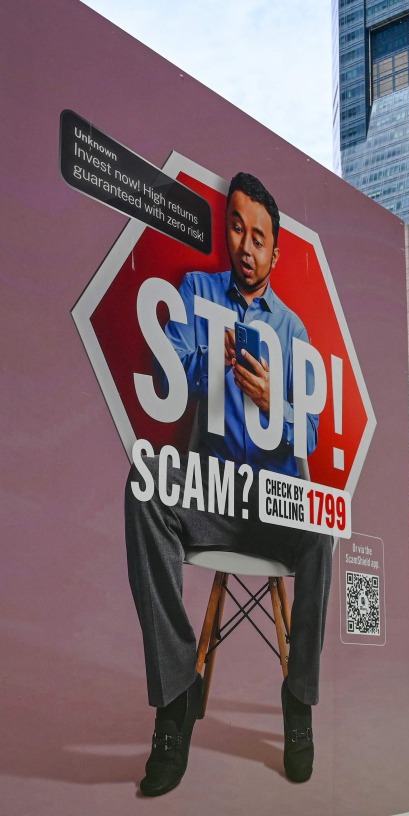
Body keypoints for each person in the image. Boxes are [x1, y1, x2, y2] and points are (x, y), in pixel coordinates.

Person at [125, 172, 332, 796]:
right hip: (210, 490)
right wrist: (214, 355)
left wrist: (278, 402)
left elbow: (315, 432)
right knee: (145, 487)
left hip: (274, 499)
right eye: (238, 228)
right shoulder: (196, 291)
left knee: (325, 534)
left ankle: (299, 699)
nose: (247, 245)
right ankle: (177, 693)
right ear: (228, 231)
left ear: (275, 251)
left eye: (260, 236)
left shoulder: (293, 330)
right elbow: (176, 370)